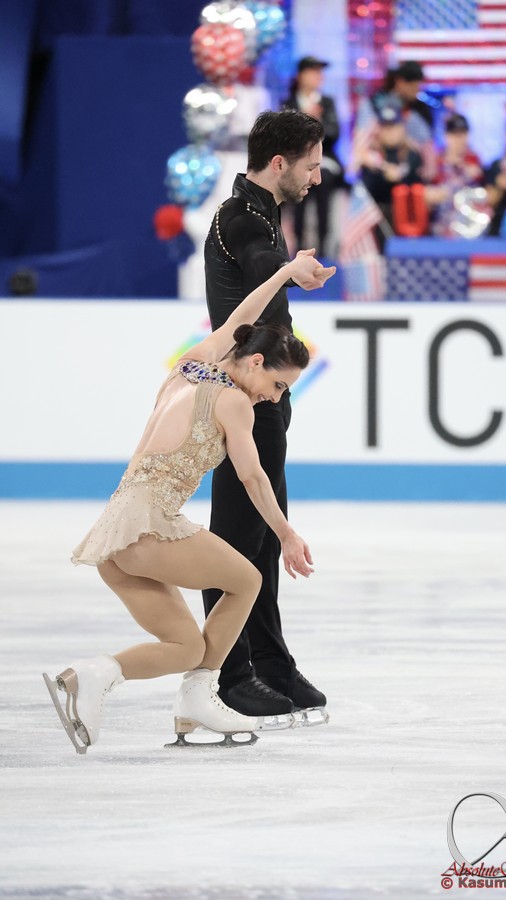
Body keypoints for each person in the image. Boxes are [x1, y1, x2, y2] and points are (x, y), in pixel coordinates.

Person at [43, 250, 335, 754]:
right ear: (257, 362)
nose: (275, 397)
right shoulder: (235, 402)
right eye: (278, 385)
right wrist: (286, 534)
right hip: (150, 526)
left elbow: (242, 317)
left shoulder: (190, 367)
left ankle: (94, 675)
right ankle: (200, 695)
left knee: (187, 647)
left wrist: (286, 274)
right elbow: (252, 477)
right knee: (248, 579)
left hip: (114, 533)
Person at [203, 109, 331, 725]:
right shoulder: (241, 218)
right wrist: (287, 270)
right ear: (279, 163)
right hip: (241, 394)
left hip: (265, 393)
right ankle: (228, 675)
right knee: (236, 536)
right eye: (311, 165)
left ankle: (270, 664)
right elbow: (258, 264)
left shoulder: (261, 211)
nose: (317, 176)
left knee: (261, 533)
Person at [281, 56, 344, 256]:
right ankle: (299, 245)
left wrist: (316, 123)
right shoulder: (288, 103)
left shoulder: (327, 103)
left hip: (324, 159)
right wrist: (304, 120)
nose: (319, 76)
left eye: (320, 72)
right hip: (296, 160)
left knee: (323, 179)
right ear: (301, 76)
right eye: (313, 72)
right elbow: (282, 137)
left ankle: (324, 246)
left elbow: (334, 134)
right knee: (298, 182)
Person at [358, 104, 423, 229]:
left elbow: (417, 183)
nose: (390, 132)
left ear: (402, 128)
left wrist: (398, 176)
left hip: (411, 217)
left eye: (394, 126)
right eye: (386, 127)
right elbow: (368, 190)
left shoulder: (412, 154)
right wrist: (384, 172)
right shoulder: (371, 156)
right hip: (379, 219)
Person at [426, 113, 485, 238]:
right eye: (454, 134)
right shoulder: (437, 161)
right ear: (446, 136)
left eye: (462, 134)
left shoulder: (474, 161)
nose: (459, 139)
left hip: (469, 226)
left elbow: (484, 195)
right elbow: (427, 192)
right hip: (440, 225)